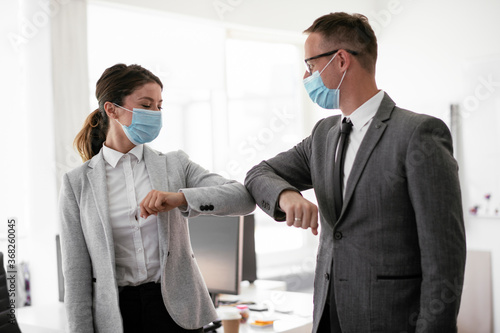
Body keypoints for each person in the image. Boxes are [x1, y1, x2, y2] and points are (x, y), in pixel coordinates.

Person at [245, 12, 466, 333]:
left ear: (341, 61)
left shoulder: (418, 133)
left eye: (310, 65)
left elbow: (444, 256)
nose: (306, 75)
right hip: (328, 314)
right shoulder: (324, 134)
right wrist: (286, 194)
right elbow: (259, 173)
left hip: (390, 320)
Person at [59, 63, 255, 333]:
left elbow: (242, 198)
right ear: (112, 109)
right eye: (146, 105)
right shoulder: (77, 183)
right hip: (116, 315)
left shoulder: (175, 165)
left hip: (176, 310)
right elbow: (76, 274)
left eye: (159, 106)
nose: (155, 114)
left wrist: (179, 199)